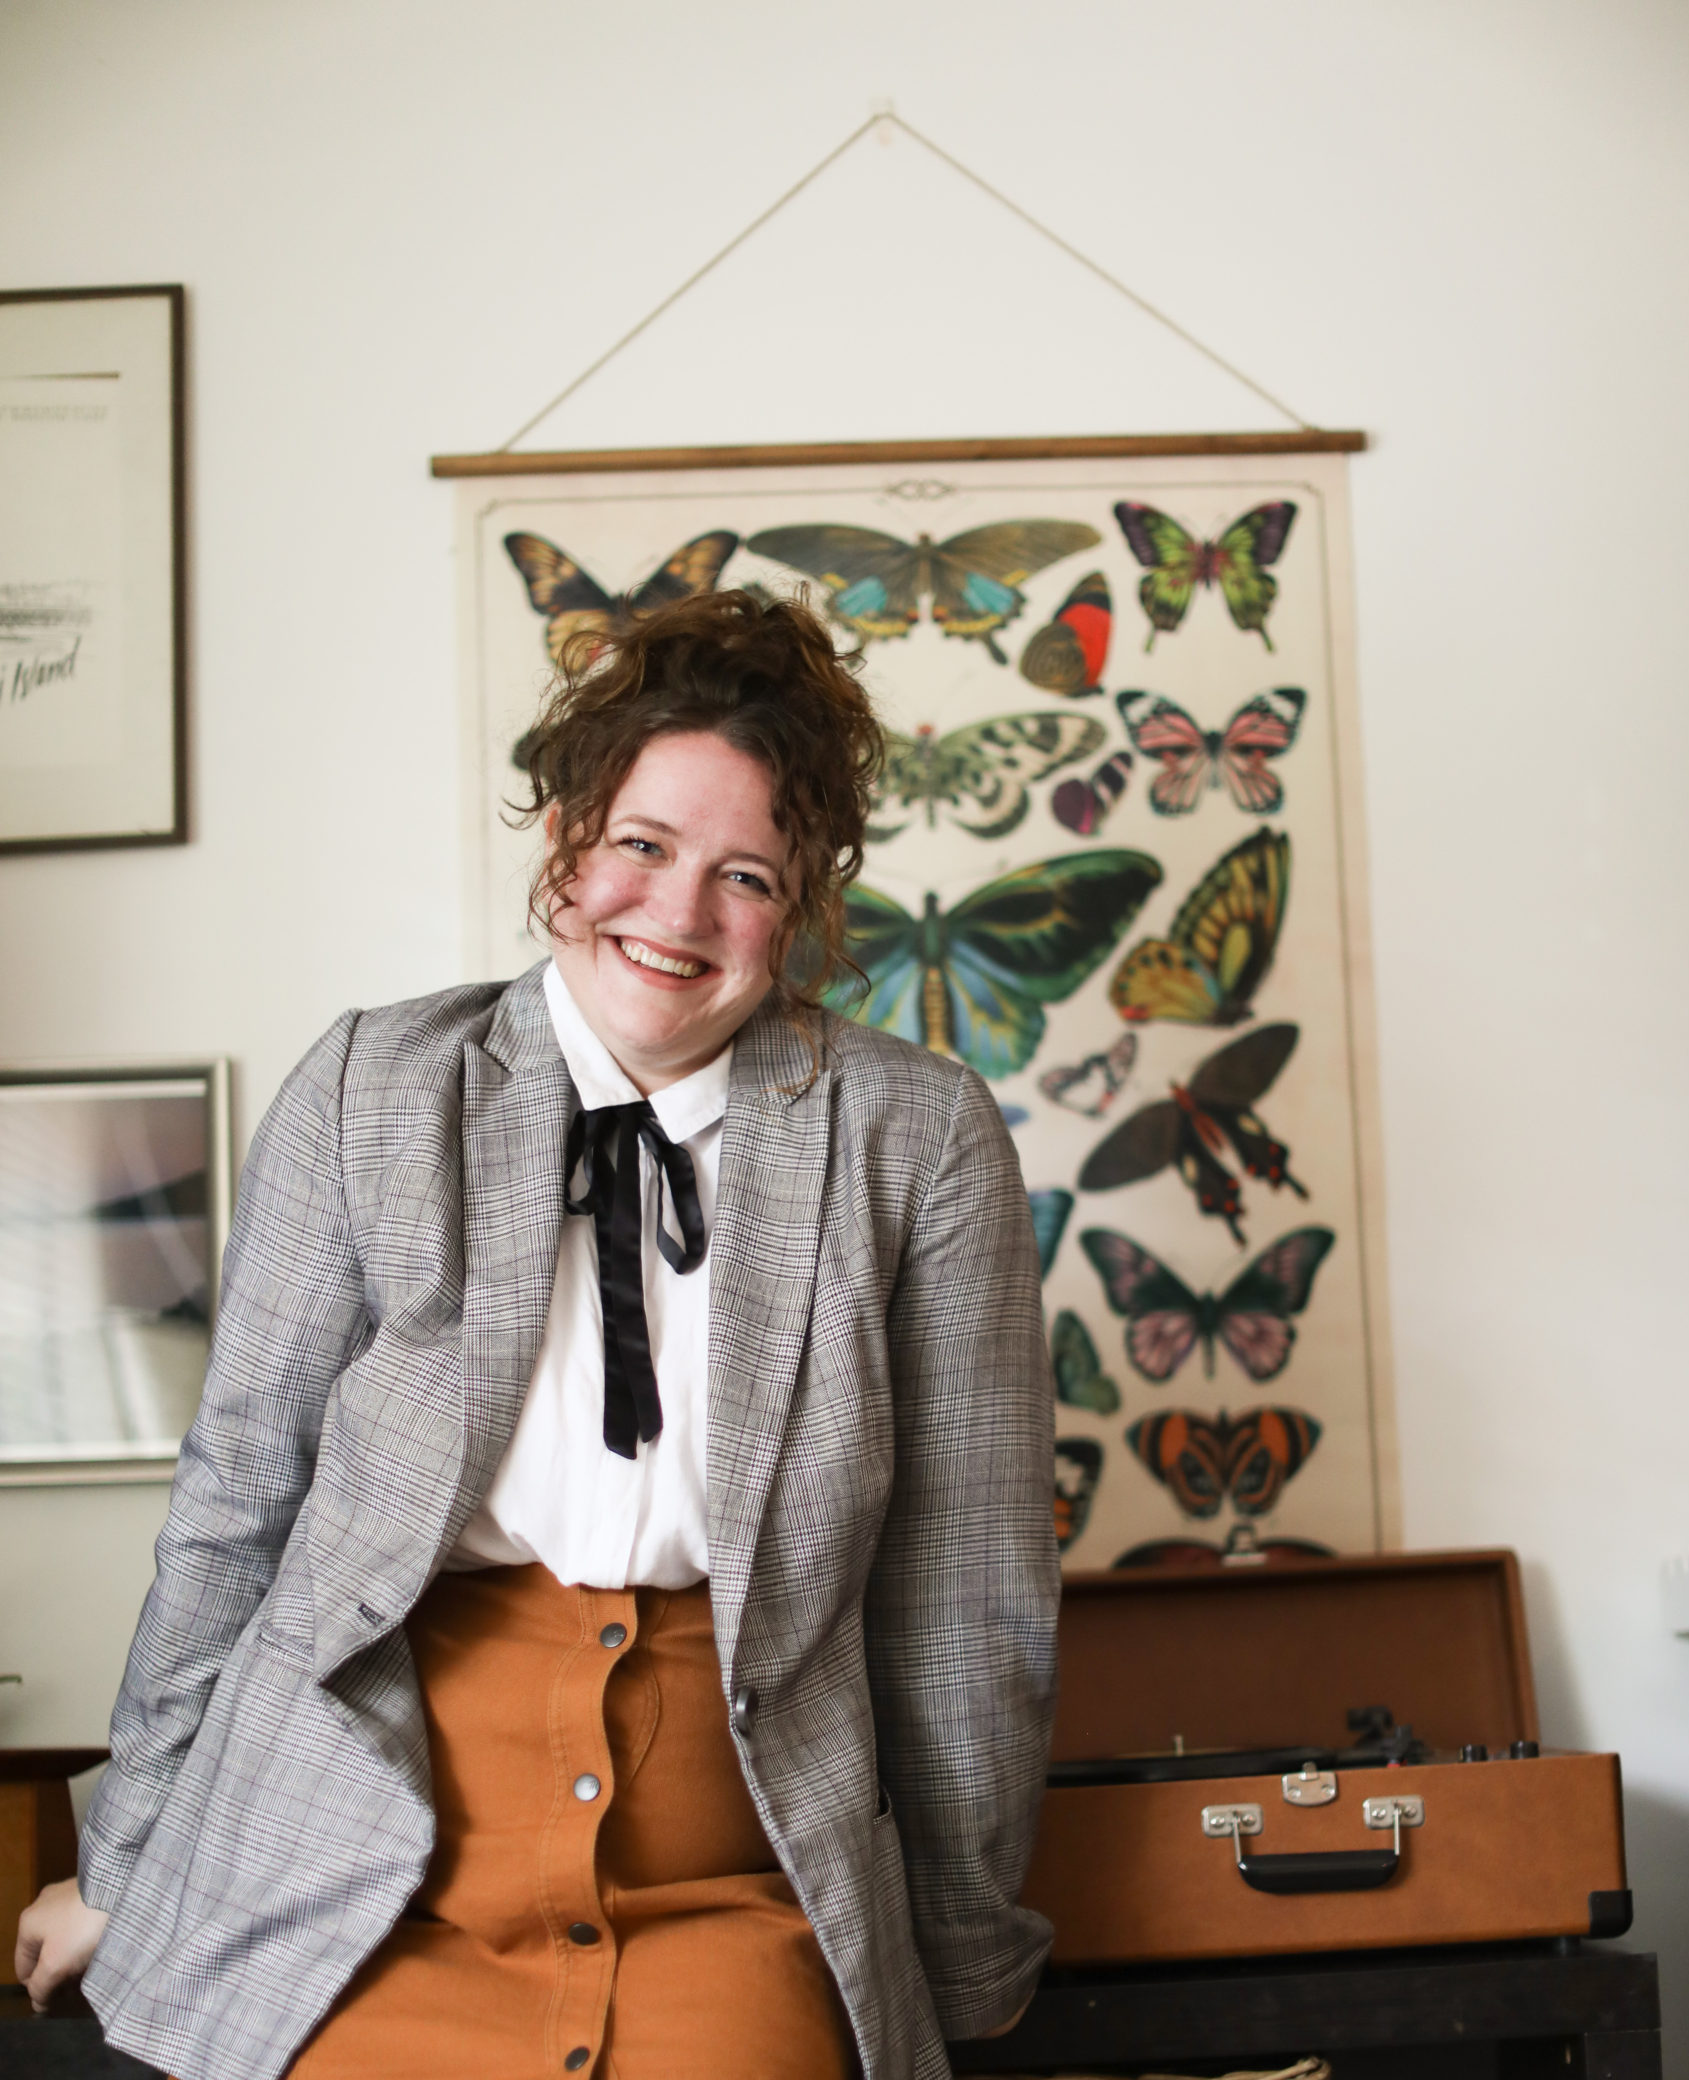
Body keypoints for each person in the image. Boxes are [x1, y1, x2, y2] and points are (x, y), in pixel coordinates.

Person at [16, 588, 1059, 2080]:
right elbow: (238, 1499)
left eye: (745, 874)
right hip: (355, 1873)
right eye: (641, 844)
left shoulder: (916, 1135)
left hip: (735, 1877)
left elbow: (964, 1587)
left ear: (803, 903)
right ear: (567, 838)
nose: (680, 914)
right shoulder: (376, 1084)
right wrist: (124, 1857)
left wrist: (958, 1951)